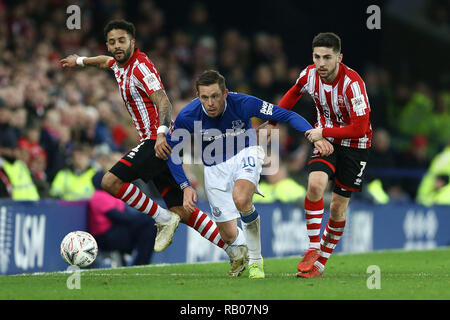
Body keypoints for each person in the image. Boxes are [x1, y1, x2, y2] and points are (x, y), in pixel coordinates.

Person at [60, 20, 230, 258]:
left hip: (156, 141)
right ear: (108, 46)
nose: (117, 46)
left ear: (133, 42)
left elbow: (163, 101)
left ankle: (162, 219)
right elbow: (104, 62)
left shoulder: (140, 66)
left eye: (122, 40)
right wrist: (79, 61)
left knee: (110, 182)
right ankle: (237, 249)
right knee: (184, 211)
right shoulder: (119, 65)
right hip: (161, 143)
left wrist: (160, 134)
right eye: (112, 42)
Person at [166, 70, 333, 278]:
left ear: (225, 93)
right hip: (214, 167)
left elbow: (286, 114)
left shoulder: (243, 103)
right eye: (204, 97)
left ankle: (256, 261)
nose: (210, 103)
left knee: (241, 198)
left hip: (246, 152)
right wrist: (185, 186)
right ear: (198, 96)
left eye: (215, 96)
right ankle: (245, 243)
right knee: (228, 235)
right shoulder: (188, 116)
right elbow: (171, 150)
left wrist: (314, 135)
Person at [268, 33, 372, 278]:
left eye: (327, 57)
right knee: (314, 185)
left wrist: (320, 131)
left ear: (339, 57)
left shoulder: (353, 83)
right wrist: (273, 119)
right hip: (326, 142)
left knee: (337, 209)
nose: (321, 63)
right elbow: (294, 92)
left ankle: (320, 264)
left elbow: (359, 127)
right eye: (317, 57)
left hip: (356, 146)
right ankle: (314, 248)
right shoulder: (309, 75)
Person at [88, 171, 157, 266]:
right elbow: (118, 217)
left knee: (149, 224)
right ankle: (141, 263)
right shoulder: (98, 196)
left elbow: (125, 215)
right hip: (106, 237)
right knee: (148, 223)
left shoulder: (110, 194)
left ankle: (141, 262)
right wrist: (141, 218)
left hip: (116, 231)